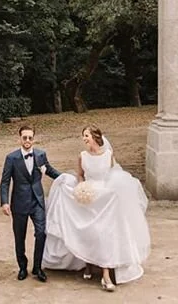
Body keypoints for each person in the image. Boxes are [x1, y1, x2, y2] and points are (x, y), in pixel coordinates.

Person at [43, 125, 150, 292]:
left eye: (86, 135)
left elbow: (114, 174)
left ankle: (105, 275)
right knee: (89, 232)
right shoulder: (82, 156)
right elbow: (79, 174)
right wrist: (80, 188)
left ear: (95, 137)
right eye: (83, 136)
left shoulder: (108, 155)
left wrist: (113, 191)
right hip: (88, 197)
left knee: (105, 234)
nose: (84, 138)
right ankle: (88, 264)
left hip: (104, 198)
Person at [0, 124, 61, 283]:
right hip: (19, 203)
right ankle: (22, 267)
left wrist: (67, 179)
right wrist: (4, 202)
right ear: (19, 138)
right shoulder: (11, 158)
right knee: (19, 237)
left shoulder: (41, 155)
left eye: (30, 137)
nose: (27, 140)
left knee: (41, 233)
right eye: (24, 137)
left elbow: (51, 171)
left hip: (37, 201)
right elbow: (5, 182)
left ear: (34, 139)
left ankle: (38, 267)